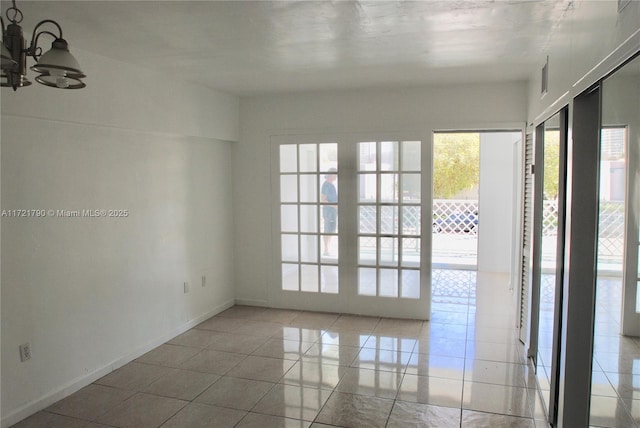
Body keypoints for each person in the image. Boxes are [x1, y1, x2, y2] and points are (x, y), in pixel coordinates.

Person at [321, 168, 337, 256]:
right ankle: (326, 249)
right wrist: (334, 205)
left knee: (332, 229)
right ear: (331, 174)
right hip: (328, 211)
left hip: (333, 210)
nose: (336, 176)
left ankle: (328, 248)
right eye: (335, 174)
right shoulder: (326, 185)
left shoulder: (332, 185)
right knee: (328, 229)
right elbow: (323, 200)